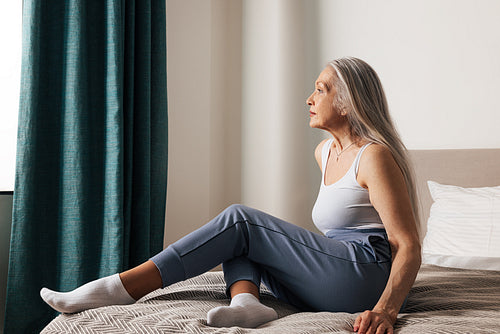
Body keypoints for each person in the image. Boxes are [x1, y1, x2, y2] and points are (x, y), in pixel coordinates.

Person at [40, 57, 421, 334]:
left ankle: (122, 287)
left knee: (240, 221)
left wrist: (386, 311)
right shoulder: (325, 153)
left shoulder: (374, 156)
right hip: (341, 274)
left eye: (320, 90)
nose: (309, 98)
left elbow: (407, 244)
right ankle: (246, 304)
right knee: (236, 240)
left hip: (368, 277)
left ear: (348, 101)